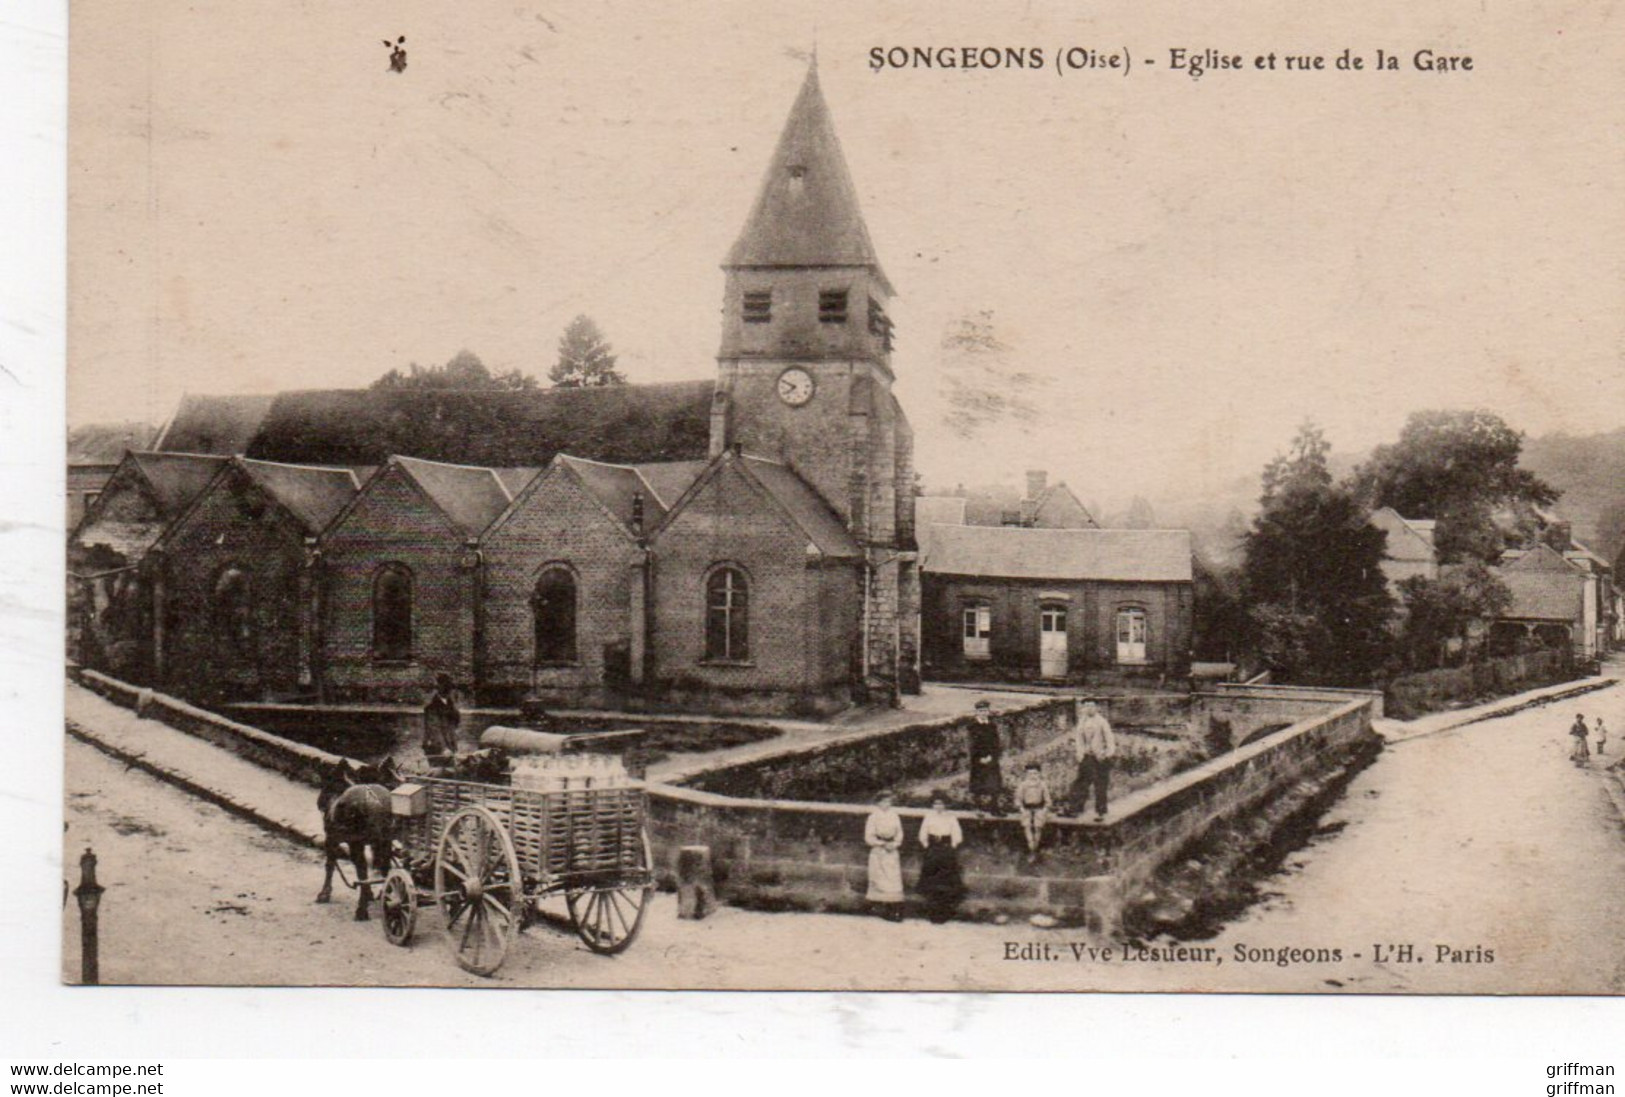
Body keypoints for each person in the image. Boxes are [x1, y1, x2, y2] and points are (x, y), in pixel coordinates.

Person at [916, 792, 965, 924]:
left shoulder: (951, 818)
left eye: (941, 804)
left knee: (945, 881)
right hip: (932, 849)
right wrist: (926, 845)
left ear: (945, 805)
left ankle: (944, 912)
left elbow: (957, 834)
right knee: (932, 880)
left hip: (946, 850)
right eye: (936, 803)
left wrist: (952, 846)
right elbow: (923, 833)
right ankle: (932, 911)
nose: (938, 806)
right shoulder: (928, 817)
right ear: (932, 805)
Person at [1071, 700, 1117, 821]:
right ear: (1083, 708)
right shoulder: (1082, 722)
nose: (1089, 708)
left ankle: (1100, 812)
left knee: (1100, 785)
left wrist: (1107, 754)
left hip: (1099, 758)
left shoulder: (1102, 722)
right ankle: (1076, 808)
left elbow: (1110, 741)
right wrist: (1080, 754)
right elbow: (1079, 740)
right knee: (1081, 783)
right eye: (1086, 706)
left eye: (1091, 706)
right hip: (1087, 757)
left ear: (1096, 708)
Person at [863, 790, 906, 922]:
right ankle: (881, 908)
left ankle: (894, 909)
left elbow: (899, 833)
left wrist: (895, 843)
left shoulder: (895, 816)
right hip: (879, 851)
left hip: (891, 850)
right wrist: (881, 843)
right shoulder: (873, 817)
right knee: (880, 879)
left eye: (888, 801)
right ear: (878, 803)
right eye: (883, 801)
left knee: (893, 879)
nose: (886, 804)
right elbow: (868, 837)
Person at [967, 700, 1004, 815]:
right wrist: (979, 758)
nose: (983, 713)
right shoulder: (972, 727)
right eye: (980, 711)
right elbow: (972, 745)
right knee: (978, 784)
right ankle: (978, 808)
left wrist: (992, 756)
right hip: (978, 760)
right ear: (976, 712)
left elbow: (996, 743)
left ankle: (994, 807)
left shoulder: (992, 726)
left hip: (992, 759)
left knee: (994, 783)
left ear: (988, 712)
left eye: (985, 711)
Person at [1014, 761, 1052, 858]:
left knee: (1038, 826)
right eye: (1030, 774)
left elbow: (1048, 801)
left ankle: (1036, 846)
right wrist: (1021, 808)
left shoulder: (1042, 785)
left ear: (1039, 774)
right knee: (1027, 826)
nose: (1033, 776)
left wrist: (1044, 809)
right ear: (1026, 774)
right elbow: (1018, 799)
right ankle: (1030, 845)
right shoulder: (1023, 785)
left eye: (1035, 773)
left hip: (1039, 808)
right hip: (1026, 808)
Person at [423, 673, 460, 765]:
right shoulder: (432, 708)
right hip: (436, 748)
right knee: (439, 772)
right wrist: (443, 748)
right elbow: (434, 729)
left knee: (450, 770)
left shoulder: (451, 705)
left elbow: (455, 724)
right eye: (446, 687)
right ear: (439, 688)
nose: (449, 691)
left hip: (450, 746)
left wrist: (453, 745)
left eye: (449, 688)